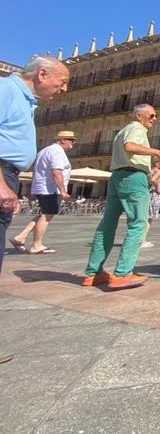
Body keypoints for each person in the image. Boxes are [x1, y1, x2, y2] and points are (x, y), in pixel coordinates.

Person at [0, 55, 69, 365]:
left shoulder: (24, 101)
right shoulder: (6, 91)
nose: (64, 89)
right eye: (62, 81)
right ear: (42, 74)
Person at [82, 104, 160, 289]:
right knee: (138, 224)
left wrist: (154, 170)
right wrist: (156, 152)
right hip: (133, 177)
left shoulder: (123, 130)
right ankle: (122, 273)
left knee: (107, 224)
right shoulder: (137, 128)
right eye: (151, 115)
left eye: (155, 115)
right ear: (139, 116)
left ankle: (93, 273)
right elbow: (130, 147)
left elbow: (128, 150)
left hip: (117, 178)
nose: (154, 119)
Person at [10, 130, 76, 254]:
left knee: (45, 214)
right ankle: (36, 245)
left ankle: (21, 237)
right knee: (47, 215)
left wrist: (33, 189)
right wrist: (63, 191)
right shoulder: (57, 152)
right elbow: (56, 172)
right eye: (71, 140)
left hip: (42, 188)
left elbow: (36, 171)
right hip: (51, 189)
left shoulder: (44, 151)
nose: (73, 143)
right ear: (63, 140)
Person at [140, 160, 160, 249]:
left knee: (143, 217)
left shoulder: (149, 171)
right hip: (153, 196)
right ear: (157, 163)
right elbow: (153, 180)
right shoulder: (159, 171)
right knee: (149, 218)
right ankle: (142, 240)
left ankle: (138, 239)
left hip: (146, 194)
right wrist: (157, 188)